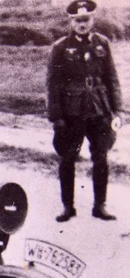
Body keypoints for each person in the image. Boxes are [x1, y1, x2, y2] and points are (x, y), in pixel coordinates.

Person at [47, 0, 122, 222]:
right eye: (78, 20)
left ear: (92, 20)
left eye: (86, 20)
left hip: (99, 110)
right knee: (68, 158)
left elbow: (112, 79)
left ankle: (100, 206)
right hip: (72, 112)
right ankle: (67, 207)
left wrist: (117, 110)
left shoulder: (102, 44)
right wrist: (56, 116)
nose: (82, 24)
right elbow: (53, 84)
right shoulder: (60, 48)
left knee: (101, 157)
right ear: (71, 21)